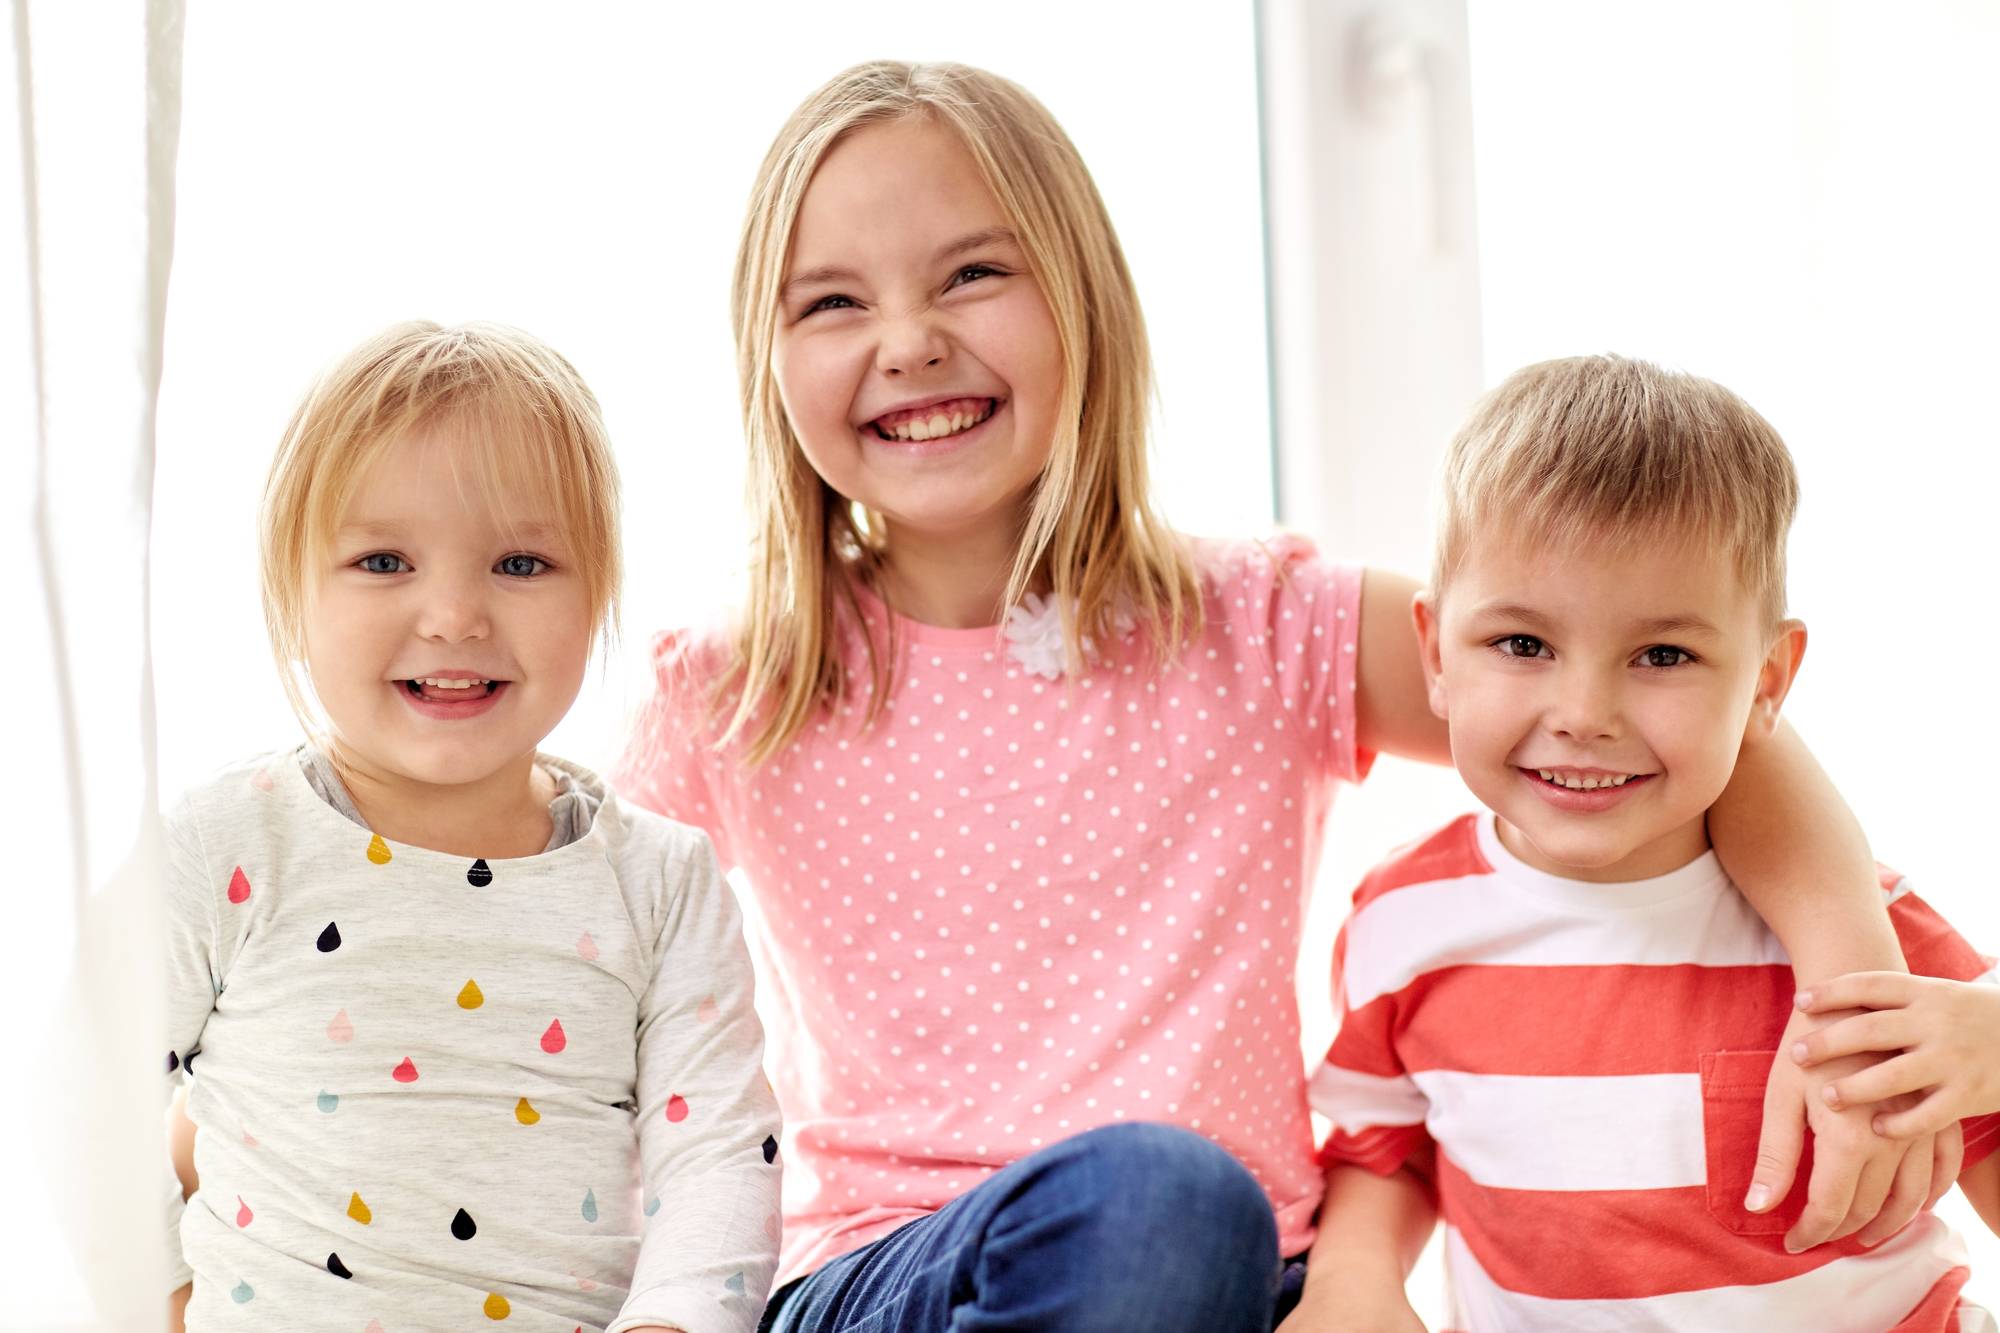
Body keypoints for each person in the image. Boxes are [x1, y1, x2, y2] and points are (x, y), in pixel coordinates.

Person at [614, 60, 1934, 1333]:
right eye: (832, 303)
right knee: (1152, 1198)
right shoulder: (732, 688)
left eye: (973, 273)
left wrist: (1853, 1002)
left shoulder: (1260, 626)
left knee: (1183, 1213)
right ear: (767, 359)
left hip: (1241, 1275)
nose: (910, 341)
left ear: (1083, 301)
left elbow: (1658, 706)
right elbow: (565, 994)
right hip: (888, 1276)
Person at [1309, 354, 2000, 1330]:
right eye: (1520, 645)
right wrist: (1352, 1284)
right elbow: (1385, 1146)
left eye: (1661, 655)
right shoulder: (1399, 921)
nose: (1581, 713)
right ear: (1431, 651)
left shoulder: (1864, 939)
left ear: (1766, 679)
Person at [163, 322, 780, 1332]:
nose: (453, 614)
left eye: (523, 562)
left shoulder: (663, 882)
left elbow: (714, 1152)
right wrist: (166, 1294)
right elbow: (73, 1094)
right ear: (291, 592)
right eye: (383, 559)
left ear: (601, 592)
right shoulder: (227, 842)